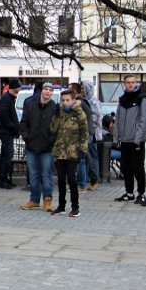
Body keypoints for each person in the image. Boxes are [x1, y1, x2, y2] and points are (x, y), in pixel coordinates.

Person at [50, 89, 88, 217]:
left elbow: (85, 133)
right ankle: (61, 206)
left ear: (73, 100)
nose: (65, 103)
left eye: (67, 100)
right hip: (61, 150)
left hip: (73, 151)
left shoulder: (79, 113)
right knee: (60, 179)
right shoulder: (60, 112)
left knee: (71, 179)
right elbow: (53, 129)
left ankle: (75, 207)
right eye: (63, 100)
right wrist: (55, 116)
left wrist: (83, 149)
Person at [19, 83, 57, 211]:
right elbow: (23, 122)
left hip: (47, 147)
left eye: (50, 90)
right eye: (46, 89)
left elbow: (57, 128)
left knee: (46, 174)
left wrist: (51, 141)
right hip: (31, 145)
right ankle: (34, 199)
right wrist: (26, 136)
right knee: (34, 174)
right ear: (41, 91)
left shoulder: (55, 108)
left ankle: (47, 200)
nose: (48, 92)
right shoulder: (31, 105)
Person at [113, 75, 146, 203]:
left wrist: (137, 139)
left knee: (138, 168)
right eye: (128, 82)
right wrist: (116, 137)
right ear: (124, 84)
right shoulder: (122, 100)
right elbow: (117, 120)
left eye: (133, 82)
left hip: (136, 141)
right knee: (126, 168)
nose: (130, 84)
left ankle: (141, 193)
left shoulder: (141, 99)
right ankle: (129, 193)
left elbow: (144, 120)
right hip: (124, 140)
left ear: (136, 83)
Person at [0, 78, 22, 189]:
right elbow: (5, 117)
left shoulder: (9, 99)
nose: (20, 88)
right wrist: (14, 129)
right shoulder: (6, 99)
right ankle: (3, 179)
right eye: (19, 86)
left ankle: (4, 177)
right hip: (6, 132)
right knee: (7, 155)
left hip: (8, 132)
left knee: (6, 155)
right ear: (15, 87)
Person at [69, 83, 92, 192]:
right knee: (83, 160)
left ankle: (81, 184)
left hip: (82, 135)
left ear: (74, 91)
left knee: (80, 160)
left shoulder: (79, 103)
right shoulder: (83, 101)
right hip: (84, 134)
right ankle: (82, 182)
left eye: (69, 90)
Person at [82, 80, 102, 190]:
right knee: (87, 158)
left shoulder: (93, 101)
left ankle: (94, 180)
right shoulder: (85, 100)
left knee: (91, 158)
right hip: (89, 133)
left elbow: (96, 118)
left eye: (83, 88)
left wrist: (87, 126)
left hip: (91, 134)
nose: (82, 91)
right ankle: (88, 180)